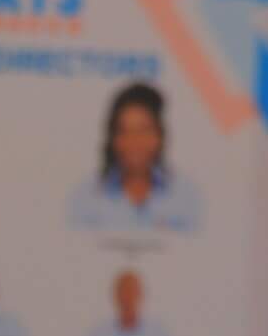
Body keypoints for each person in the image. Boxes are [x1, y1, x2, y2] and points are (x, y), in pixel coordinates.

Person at [69, 83, 202, 234]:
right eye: (125, 131)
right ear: (113, 139)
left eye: (143, 131)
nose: (134, 142)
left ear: (159, 136)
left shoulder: (186, 197)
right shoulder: (86, 197)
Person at [83, 269, 170, 336]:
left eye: (132, 291)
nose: (128, 297)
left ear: (141, 295)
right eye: (124, 292)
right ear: (115, 296)